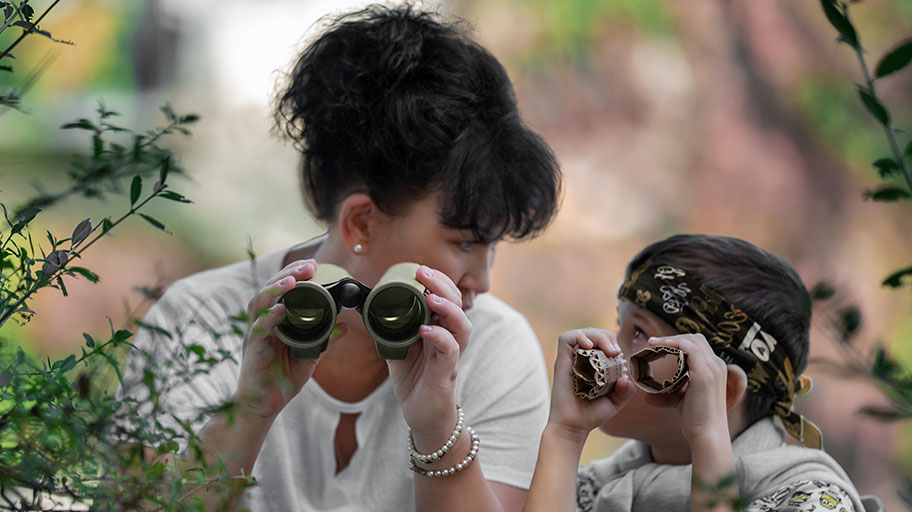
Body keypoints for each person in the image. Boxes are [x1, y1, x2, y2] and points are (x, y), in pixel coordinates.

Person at [115, 4, 562, 511]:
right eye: (464, 242)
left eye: (493, 245)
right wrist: (253, 408)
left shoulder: (496, 348)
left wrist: (438, 426)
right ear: (361, 223)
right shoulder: (199, 318)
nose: (480, 280)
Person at [525, 234, 871, 512]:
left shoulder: (810, 500)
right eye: (620, 326)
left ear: (724, 392)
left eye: (639, 334)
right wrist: (565, 434)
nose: (608, 349)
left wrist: (708, 439)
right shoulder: (595, 488)